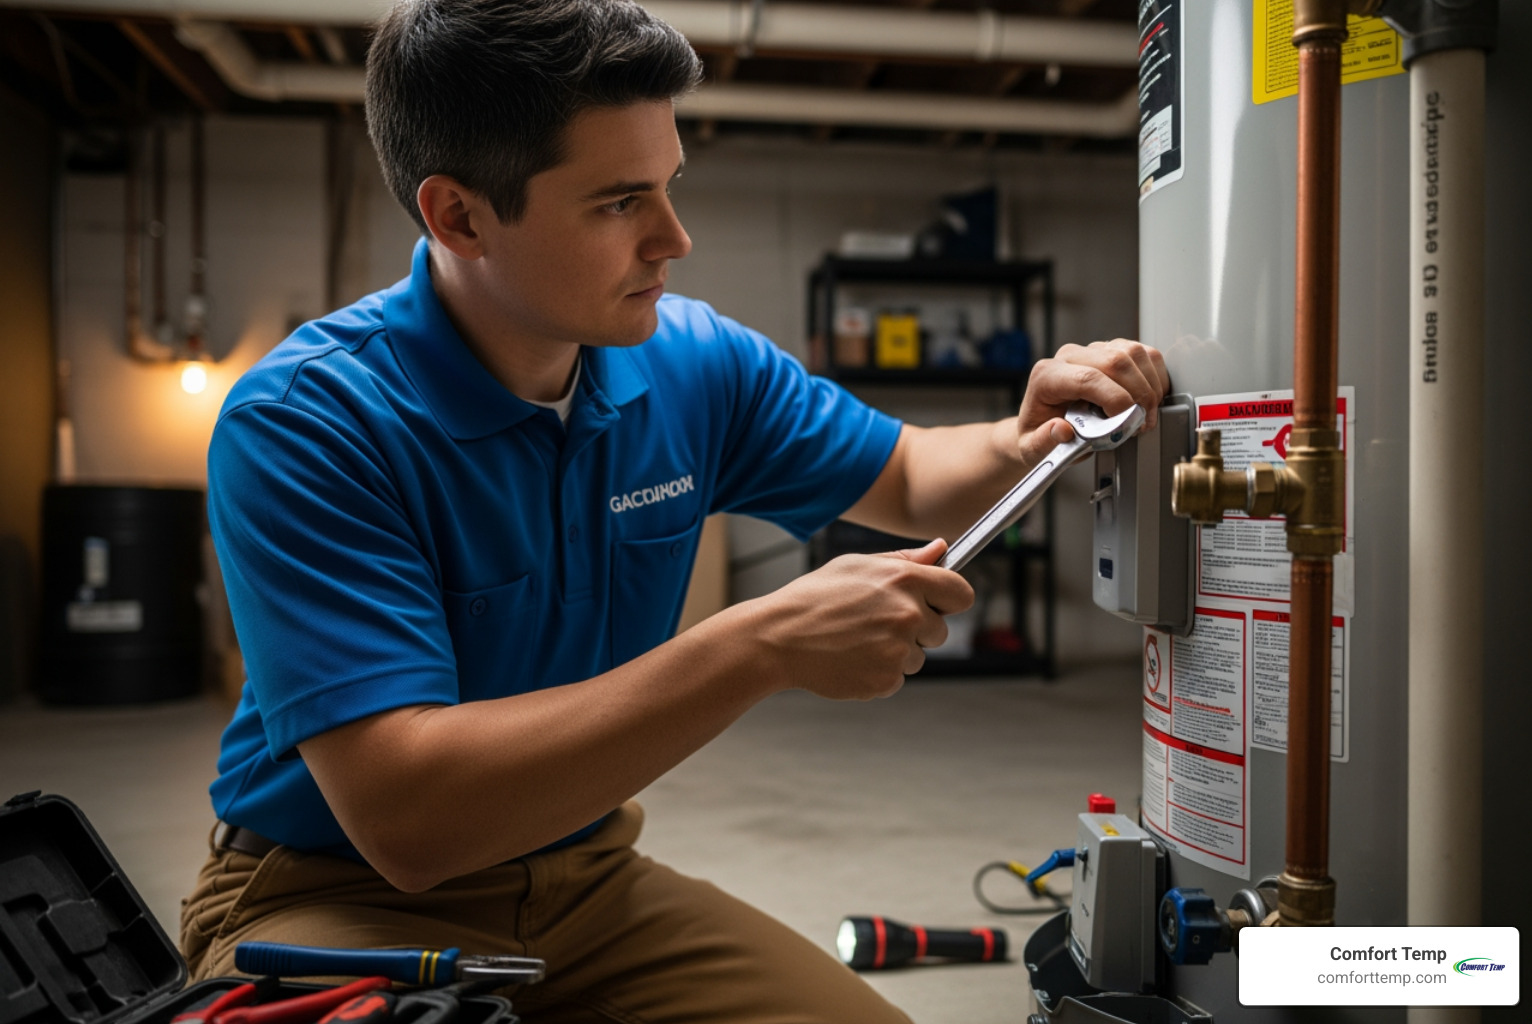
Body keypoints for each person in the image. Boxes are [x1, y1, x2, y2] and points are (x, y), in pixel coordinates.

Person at [179, 1, 1169, 1021]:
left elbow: (915, 474)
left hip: (585, 881)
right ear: (459, 216)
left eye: (668, 187)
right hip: (336, 895)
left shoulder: (691, 362)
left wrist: (1044, 430)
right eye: (618, 203)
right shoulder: (310, 422)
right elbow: (411, 822)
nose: (674, 238)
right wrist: (760, 644)